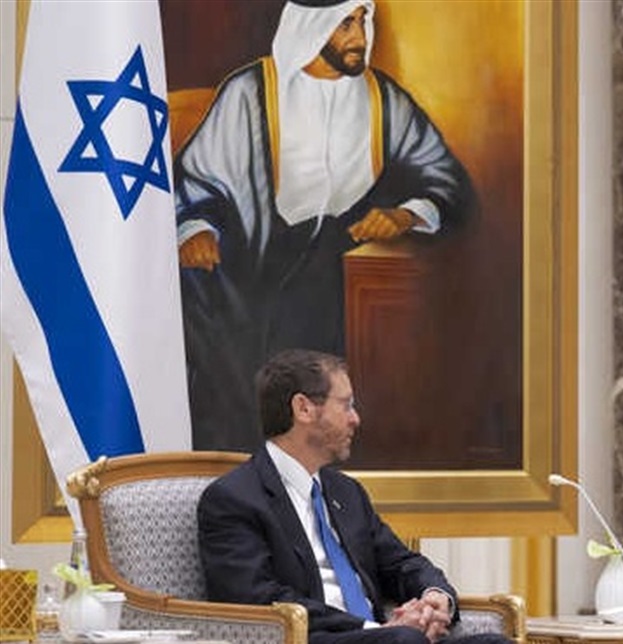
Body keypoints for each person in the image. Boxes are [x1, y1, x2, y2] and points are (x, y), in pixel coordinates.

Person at [174, 0, 474, 451]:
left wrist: (405, 214)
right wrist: (195, 228)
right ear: (312, 26)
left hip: (332, 260)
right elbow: (196, 182)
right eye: (345, 24)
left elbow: (446, 179)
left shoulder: (383, 100)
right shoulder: (251, 92)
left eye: (363, 21)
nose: (359, 38)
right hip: (246, 260)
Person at [197, 349, 505, 644]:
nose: (355, 419)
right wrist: (370, 628)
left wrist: (434, 597)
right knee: (403, 639)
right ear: (303, 408)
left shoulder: (347, 492)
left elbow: (400, 563)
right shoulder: (234, 499)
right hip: (313, 638)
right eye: (346, 405)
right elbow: (256, 599)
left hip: (387, 638)